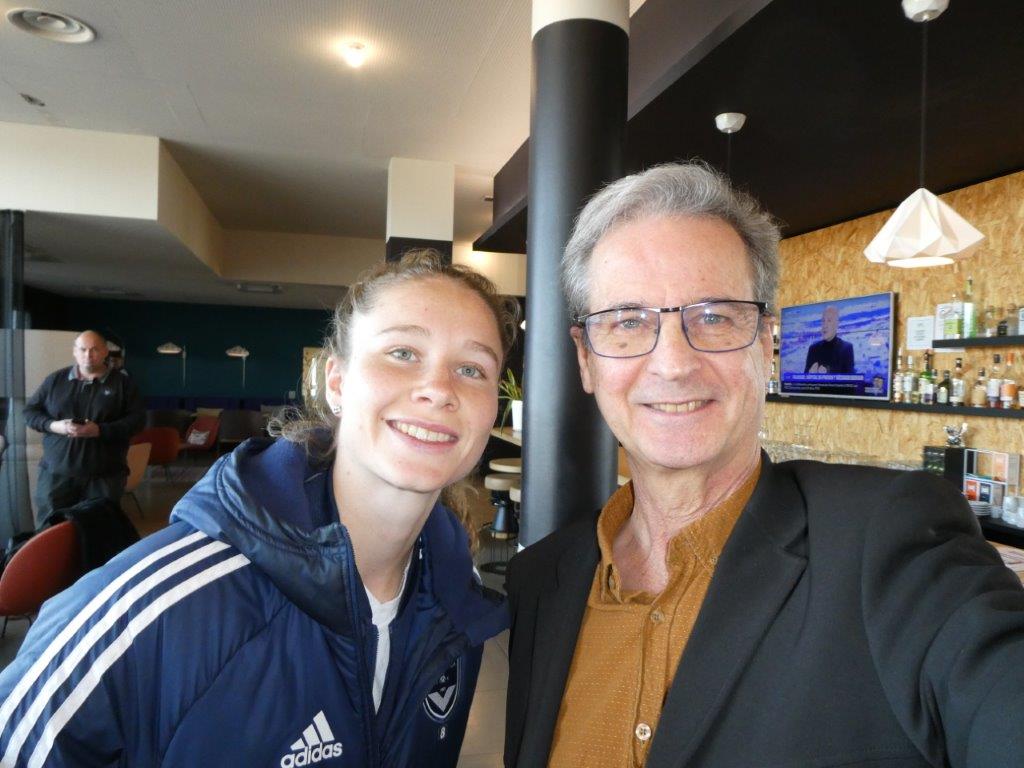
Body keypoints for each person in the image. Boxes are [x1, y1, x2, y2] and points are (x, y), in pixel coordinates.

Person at [503, 163, 1024, 768]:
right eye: (626, 322)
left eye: (714, 317)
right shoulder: (542, 582)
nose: (672, 364)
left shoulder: (889, 544)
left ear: (767, 343)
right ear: (586, 360)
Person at [0, 251, 516, 767]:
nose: (439, 390)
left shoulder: (457, 602)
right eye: (402, 352)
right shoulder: (155, 609)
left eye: (472, 369)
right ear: (337, 383)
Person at [23, 330, 145, 528]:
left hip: (105, 476)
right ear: (74, 351)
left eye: (94, 349)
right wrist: (54, 426)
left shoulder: (124, 384)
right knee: (50, 532)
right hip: (56, 475)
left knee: (101, 531)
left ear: (105, 352)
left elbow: (138, 421)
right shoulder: (55, 380)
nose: (88, 355)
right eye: (83, 349)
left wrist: (100, 430)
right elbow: (29, 412)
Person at [804, 304, 855, 374]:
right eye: (823, 321)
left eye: (829, 320)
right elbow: (803, 378)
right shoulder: (813, 349)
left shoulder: (847, 348)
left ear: (837, 324)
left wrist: (827, 371)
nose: (825, 325)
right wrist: (810, 374)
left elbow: (850, 378)